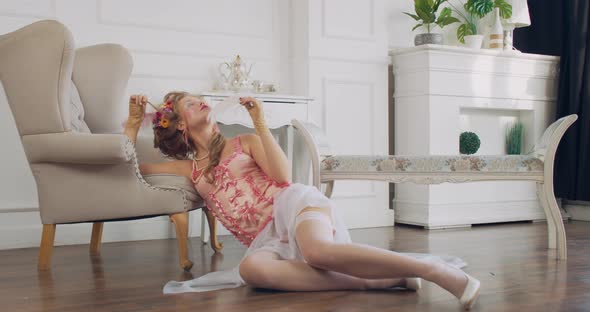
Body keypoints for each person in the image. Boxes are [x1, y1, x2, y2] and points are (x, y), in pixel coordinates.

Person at [124, 92, 481, 310]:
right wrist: (133, 122)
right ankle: (383, 280)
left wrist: (260, 123)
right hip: (269, 239)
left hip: (295, 206)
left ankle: (429, 269)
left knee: (316, 252)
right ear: (180, 125)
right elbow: (129, 165)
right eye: (189, 103)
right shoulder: (190, 170)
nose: (200, 101)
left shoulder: (243, 142)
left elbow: (282, 178)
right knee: (250, 271)